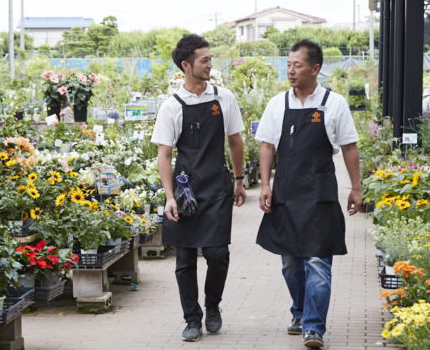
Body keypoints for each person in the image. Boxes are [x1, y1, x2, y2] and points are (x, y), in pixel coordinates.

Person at [255, 39, 361, 348]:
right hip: (286, 195)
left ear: (315, 69)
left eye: (297, 65)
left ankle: (314, 327)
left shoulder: (334, 103)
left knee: (317, 262)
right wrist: (264, 185)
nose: (290, 70)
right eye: (288, 64)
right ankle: (300, 311)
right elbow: (266, 146)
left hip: (320, 196)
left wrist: (355, 188)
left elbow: (350, 147)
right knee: (290, 263)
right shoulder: (278, 104)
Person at [151, 34, 246, 342]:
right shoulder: (172, 106)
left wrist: (239, 179)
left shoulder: (223, 98)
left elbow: (235, 141)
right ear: (186, 65)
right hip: (186, 189)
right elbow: (164, 155)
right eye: (204, 60)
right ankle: (192, 318)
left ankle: (213, 306)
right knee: (185, 257)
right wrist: (169, 197)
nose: (209, 64)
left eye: (209, 58)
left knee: (218, 254)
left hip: (217, 186)